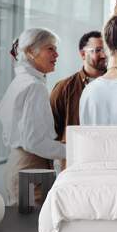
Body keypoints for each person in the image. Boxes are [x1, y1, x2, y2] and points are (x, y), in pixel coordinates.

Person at [0, 28, 66, 206]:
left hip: (21, 164)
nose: (56, 54)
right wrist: (72, 150)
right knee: (33, 230)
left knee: (26, 229)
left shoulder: (21, 82)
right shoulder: (34, 87)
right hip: (31, 168)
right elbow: (34, 142)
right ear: (30, 52)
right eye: (50, 49)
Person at [49, 31, 106, 170]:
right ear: (82, 54)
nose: (104, 55)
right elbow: (52, 128)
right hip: (75, 164)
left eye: (107, 50)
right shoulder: (64, 87)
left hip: (108, 160)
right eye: (97, 50)